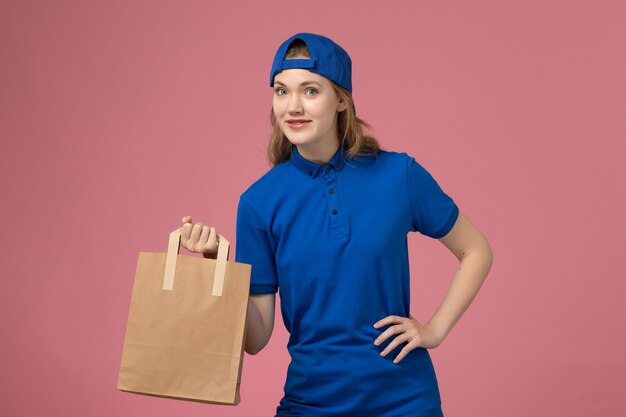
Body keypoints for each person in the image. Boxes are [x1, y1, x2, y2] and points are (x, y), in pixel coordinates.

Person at [181, 32, 493, 417]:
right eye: (281, 91)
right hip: (310, 402)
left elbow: (476, 250)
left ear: (342, 100)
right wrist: (218, 268)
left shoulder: (399, 175)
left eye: (310, 91)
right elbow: (256, 337)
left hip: (405, 401)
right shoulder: (258, 203)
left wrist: (435, 329)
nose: (292, 106)